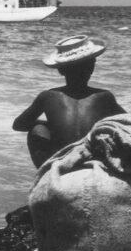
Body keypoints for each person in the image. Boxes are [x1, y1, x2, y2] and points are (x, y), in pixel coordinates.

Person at [13, 34, 124, 167]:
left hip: (62, 160)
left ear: (60, 71)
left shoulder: (48, 96)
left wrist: (49, 124)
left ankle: (45, 172)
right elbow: (130, 123)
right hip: (91, 158)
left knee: (37, 128)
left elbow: (19, 125)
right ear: (92, 68)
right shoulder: (104, 97)